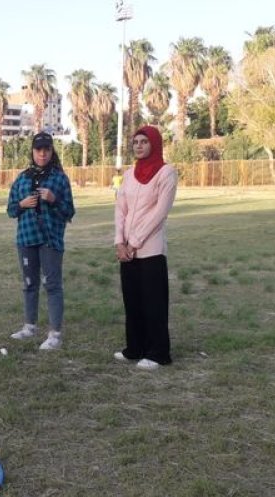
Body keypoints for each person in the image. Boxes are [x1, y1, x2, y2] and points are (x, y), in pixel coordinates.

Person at [114, 125, 177, 370]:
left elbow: (159, 213)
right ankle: (135, 348)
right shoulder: (129, 175)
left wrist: (134, 242)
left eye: (144, 141)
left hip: (150, 250)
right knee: (133, 301)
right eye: (136, 142)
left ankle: (158, 352)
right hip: (127, 251)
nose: (139, 146)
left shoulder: (166, 173)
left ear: (155, 144)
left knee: (153, 302)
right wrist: (119, 241)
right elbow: (120, 210)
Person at [7, 131, 75, 350]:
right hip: (26, 238)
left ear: (52, 151)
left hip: (50, 239)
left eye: (47, 149)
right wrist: (22, 204)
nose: (42, 154)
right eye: (38, 150)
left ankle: (55, 333)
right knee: (29, 284)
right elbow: (10, 210)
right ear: (33, 152)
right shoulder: (22, 178)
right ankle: (30, 326)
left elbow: (69, 211)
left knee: (52, 285)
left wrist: (54, 200)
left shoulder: (59, 178)